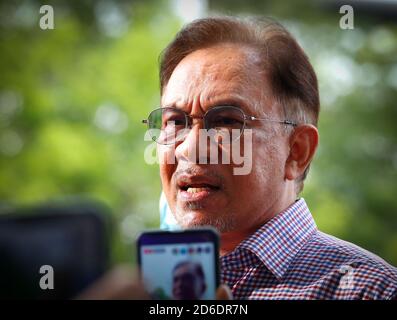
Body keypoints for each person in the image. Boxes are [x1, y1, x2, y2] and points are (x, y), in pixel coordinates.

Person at [145, 16, 397, 300]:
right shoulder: (146, 289)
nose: (189, 148)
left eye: (227, 120)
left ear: (297, 151)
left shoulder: (371, 291)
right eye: (175, 122)